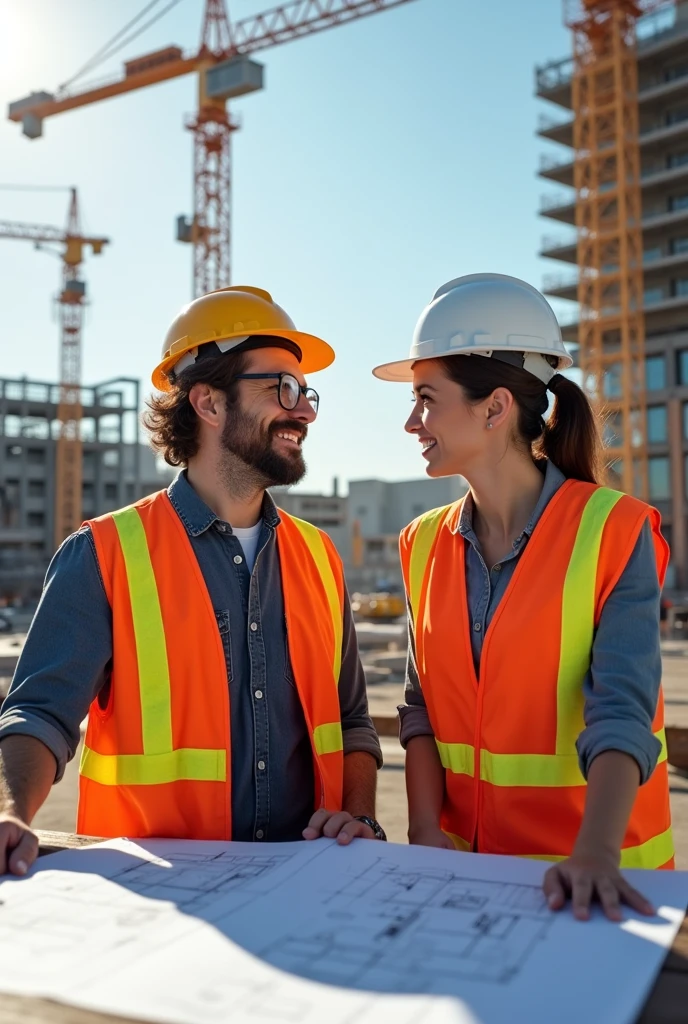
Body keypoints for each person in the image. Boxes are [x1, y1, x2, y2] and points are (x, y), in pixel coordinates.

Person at [0, 285, 385, 876]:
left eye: (306, 392)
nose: (304, 410)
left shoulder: (319, 556)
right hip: (160, 903)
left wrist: (360, 815)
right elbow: (39, 715)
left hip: (308, 886)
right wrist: (11, 813)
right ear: (208, 403)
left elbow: (353, 722)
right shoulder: (105, 554)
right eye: (282, 388)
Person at [373, 273, 673, 921]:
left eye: (426, 398)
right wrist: (424, 832)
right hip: (459, 877)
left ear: (494, 406)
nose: (410, 422)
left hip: (588, 892)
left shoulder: (615, 532)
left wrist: (595, 855)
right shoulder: (421, 543)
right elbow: (420, 709)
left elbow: (622, 712)